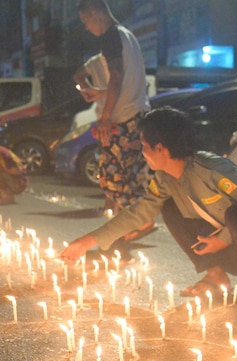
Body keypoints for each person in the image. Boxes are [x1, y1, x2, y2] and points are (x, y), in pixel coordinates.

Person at [61, 107, 237, 305]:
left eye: (144, 146)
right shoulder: (164, 179)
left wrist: (224, 239)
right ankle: (216, 275)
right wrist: (86, 242)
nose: (143, 153)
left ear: (160, 148)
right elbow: (138, 212)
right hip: (225, 253)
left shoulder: (212, 169)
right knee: (169, 207)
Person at [74, 0, 150, 221]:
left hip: (122, 119)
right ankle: (131, 222)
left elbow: (116, 76)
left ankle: (135, 222)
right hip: (136, 114)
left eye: (86, 20)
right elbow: (123, 81)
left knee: (114, 175)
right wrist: (100, 93)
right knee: (129, 174)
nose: (87, 27)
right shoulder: (127, 35)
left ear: (97, 13)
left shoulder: (110, 37)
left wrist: (105, 117)